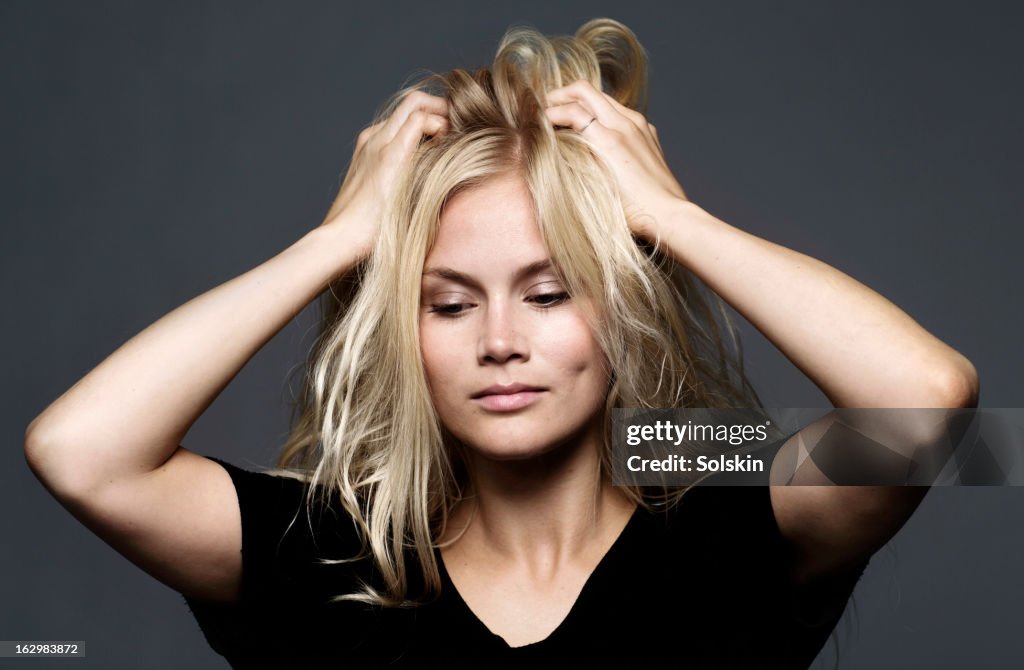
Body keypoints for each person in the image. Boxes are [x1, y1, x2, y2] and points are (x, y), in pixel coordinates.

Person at [24, 18, 978, 669]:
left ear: (620, 311)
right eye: (447, 305)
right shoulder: (330, 549)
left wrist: (669, 216)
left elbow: (933, 407)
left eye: (551, 293)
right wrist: (337, 243)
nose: (500, 342)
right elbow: (80, 454)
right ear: (406, 333)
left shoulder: (724, 503)